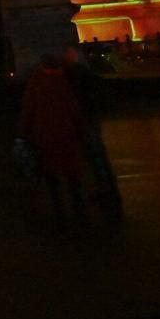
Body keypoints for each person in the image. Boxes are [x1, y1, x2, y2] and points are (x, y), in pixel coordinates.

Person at [15, 54, 87, 217]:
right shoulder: (65, 83)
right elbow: (74, 109)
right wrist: (81, 130)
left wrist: (22, 133)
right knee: (71, 169)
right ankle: (77, 201)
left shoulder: (35, 83)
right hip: (66, 132)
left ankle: (57, 205)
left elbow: (28, 109)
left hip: (44, 133)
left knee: (50, 170)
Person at [61, 46, 120, 206]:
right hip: (90, 115)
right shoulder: (85, 73)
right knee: (98, 153)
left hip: (85, 117)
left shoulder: (74, 75)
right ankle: (108, 186)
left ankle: (104, 187)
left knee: (94, 153)